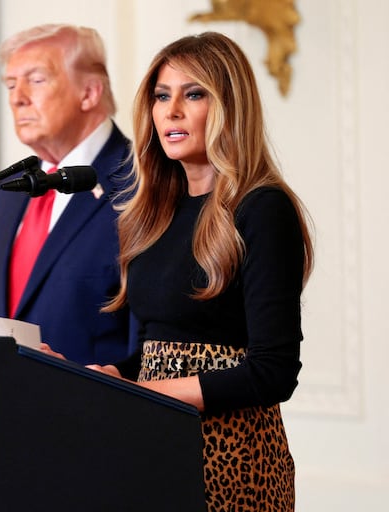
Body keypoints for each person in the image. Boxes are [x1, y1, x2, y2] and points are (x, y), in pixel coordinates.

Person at [43, 32, 314, 510]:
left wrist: (142, 392)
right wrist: (94, 377)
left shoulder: (262, 209)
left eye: (193, 94)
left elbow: (273, 372)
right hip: (153, 445)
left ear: (230, 106)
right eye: (161, 96)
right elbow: (154, 350)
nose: (171, 111)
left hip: (231, 460)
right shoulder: (151, 216)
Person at [0, 24, 137, 365]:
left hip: (96, 412)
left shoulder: (142, 183)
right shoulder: (9, 189)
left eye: (36, 79)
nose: (17, 97)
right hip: (2, 412)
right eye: (10, 84)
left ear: (90, 92)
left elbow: (151, 346)